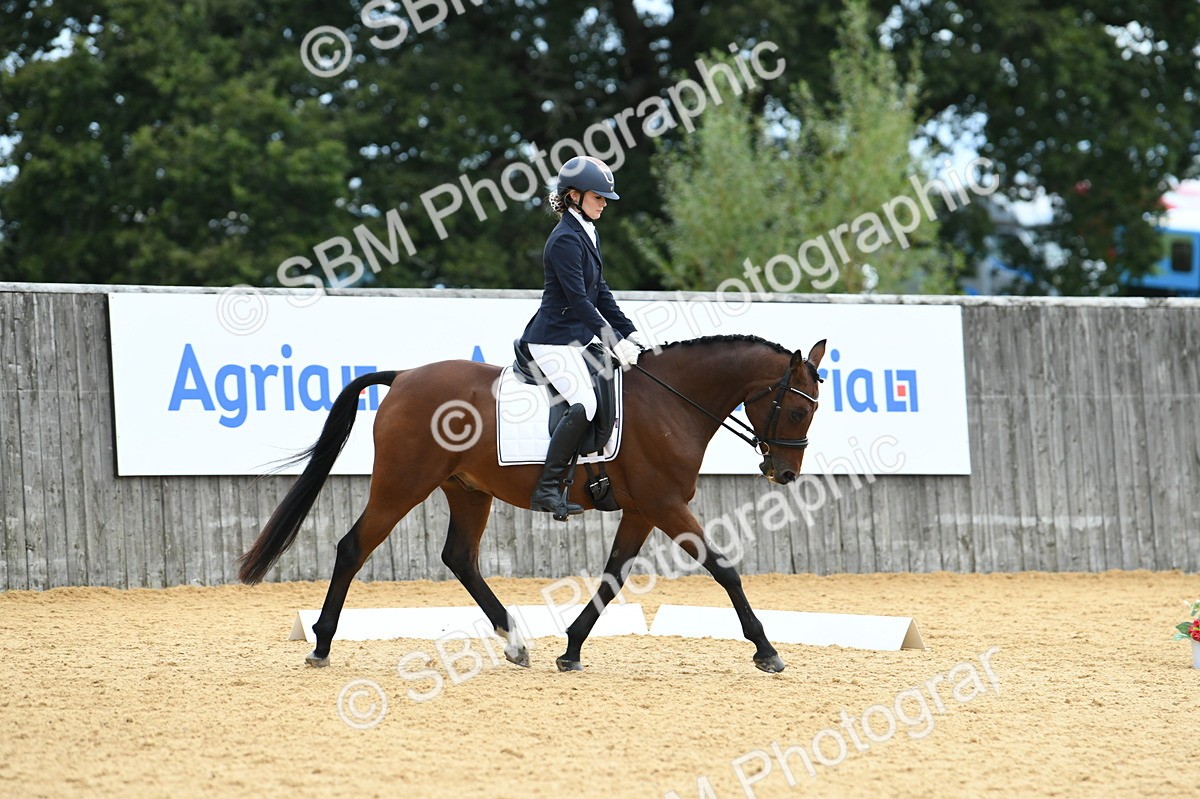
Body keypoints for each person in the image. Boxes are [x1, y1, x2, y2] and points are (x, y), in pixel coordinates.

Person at [520, 155, 646, 518]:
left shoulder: (588, 231)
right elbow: (578, 301)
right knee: (585, 404)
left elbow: (600, 292)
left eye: (605, 198)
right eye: (598, 197)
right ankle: (547, 489)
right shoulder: (564, 240)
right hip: (551, 340)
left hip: (576, 339)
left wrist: (631, 333)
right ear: (574, 196)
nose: (604, 203)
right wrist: (613, 340)